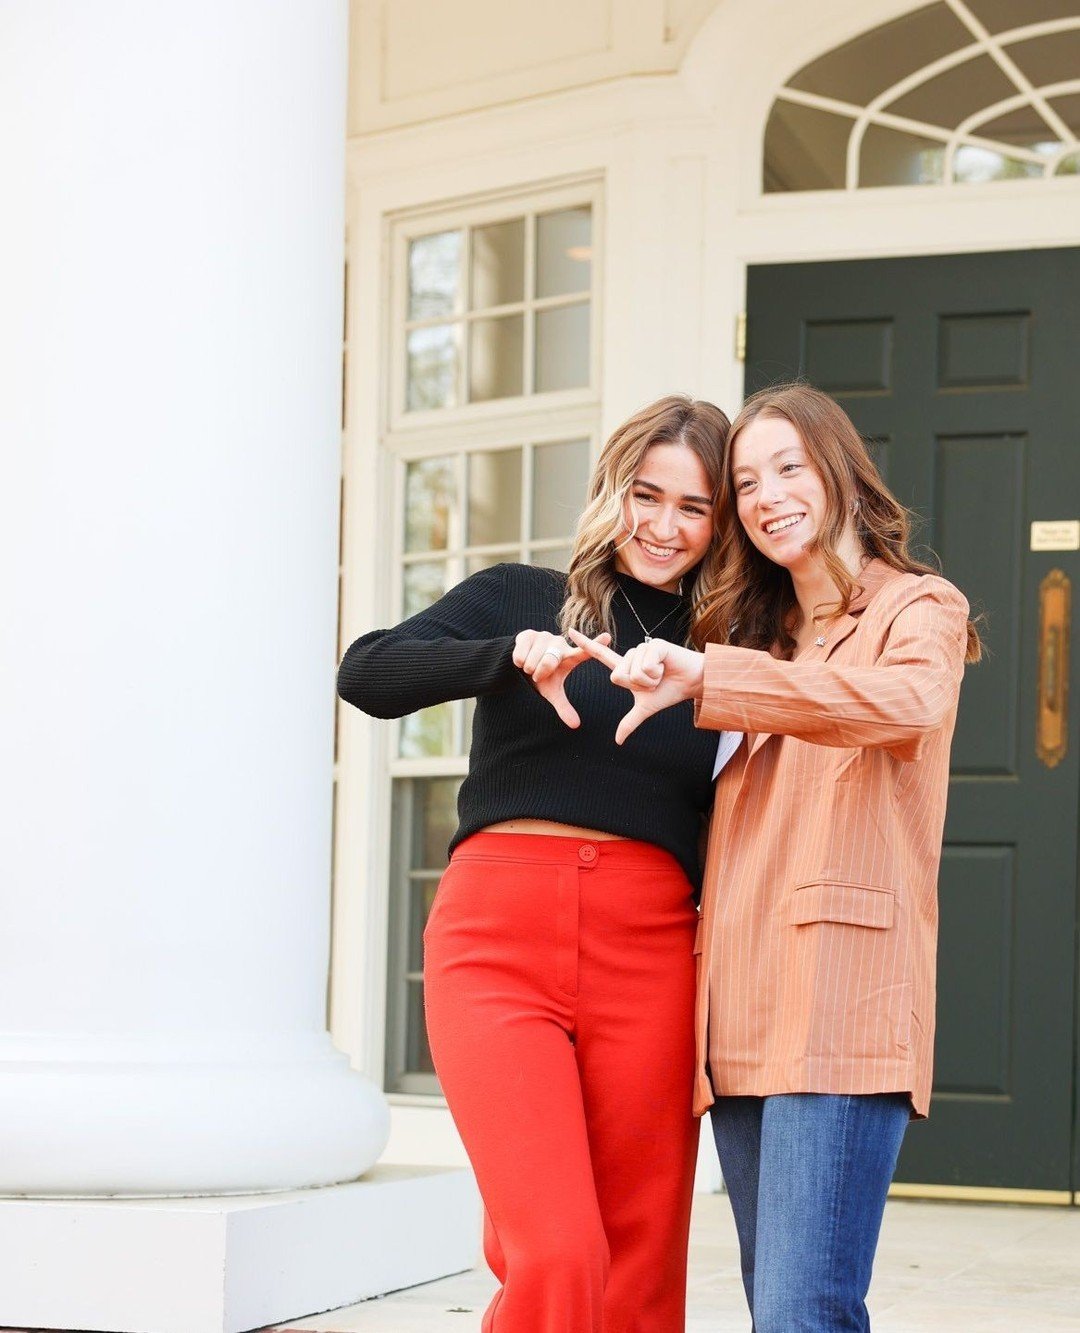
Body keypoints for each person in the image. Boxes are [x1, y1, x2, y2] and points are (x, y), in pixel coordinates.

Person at [571, 383, 981, 1333]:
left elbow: (902, 706)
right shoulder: (753, 635)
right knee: (778, 1312)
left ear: (839, 470)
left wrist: (719, 679)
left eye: (789, 467)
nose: (766, 495)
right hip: (741, 1008)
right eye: (745, 481)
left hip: (840, 1004)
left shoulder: (919, 609)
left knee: (805, 1313)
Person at [337, 395, 731, 1332]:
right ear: (612, 488)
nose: (664, 526)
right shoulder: (523, 595)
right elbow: (366, 672)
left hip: (654, 952)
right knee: (558, 1250)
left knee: (638, 1267)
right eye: (647, 494)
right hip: (496, 940)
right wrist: (504, 656)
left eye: (694, 507)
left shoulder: (726, 650)